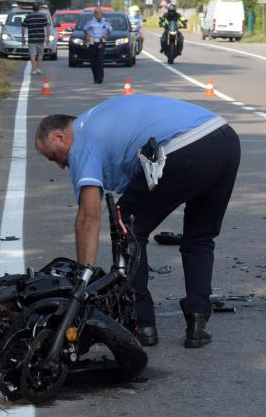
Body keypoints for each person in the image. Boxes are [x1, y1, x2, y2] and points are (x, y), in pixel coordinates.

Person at [35, 95, 240, 348]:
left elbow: (89, 216)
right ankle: (198, 320)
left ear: (59, 137)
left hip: (186, 147)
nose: (60, 166)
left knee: (126, 227)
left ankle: (142, 324)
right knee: (200, 237)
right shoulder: (97, 118)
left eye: (53, 157)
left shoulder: (82, 140)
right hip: (225, 140)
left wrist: (82, 279)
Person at [82, 7, 112, 84]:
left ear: (101, 14)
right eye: (97, 13)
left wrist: (107, 35)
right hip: (92, 43)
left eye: (100, 13)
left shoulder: (105, 22)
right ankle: (95, 77)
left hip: (101, 42)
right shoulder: (90, 22)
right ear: (94, 14)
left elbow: (109, 30)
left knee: (100, 60)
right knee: (93, 62)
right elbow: (85, 29)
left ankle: (100, 77)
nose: (98, 15)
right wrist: (87, 35)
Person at [22, 2, 50, 75]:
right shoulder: (43, 17)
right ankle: (38, 69)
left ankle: (33, 70)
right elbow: (47, 27)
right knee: (40, 54)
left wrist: (23, 38)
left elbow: (23, 28)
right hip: (41, 38)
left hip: (31, 39)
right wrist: (48, 37)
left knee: (32, 54)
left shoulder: (28, 17)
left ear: (32, 8)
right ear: (39, 8)